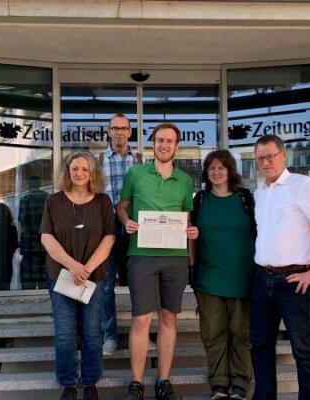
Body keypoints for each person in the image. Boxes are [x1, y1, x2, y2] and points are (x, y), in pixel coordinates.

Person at [250, 135, 310, 400]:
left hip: (294, 280)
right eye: (260, 158)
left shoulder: (304, 185)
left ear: (283, 156)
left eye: (270, 156)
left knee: (302, 348)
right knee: (260, 346)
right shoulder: (261, 193)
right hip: (262, 278)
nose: (265, 162)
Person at [116, 123, 199, 400]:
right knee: (140, 319)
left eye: (170, 141)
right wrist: (126, 222)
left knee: (168, 317)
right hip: (141, 255)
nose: (164, 145)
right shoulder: (136, 173)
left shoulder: (186, 181)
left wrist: (191, 237)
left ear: (177, 146)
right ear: (153, 143)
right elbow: (122, 206)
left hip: (175, 258)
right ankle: (137, 383)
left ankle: (163, 381)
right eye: (160, 140)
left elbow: (187, 219)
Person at [40, 151, 116, 400]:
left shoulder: (103, 201)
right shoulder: (54, 201)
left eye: (85, 169)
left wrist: (88, 268)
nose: (80, 173)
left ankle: (91, 382)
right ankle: (69, 383)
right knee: (64, 331)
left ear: (92, 172)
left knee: (93, 331)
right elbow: (47, 238)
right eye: (75, 168)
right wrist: (73, 266)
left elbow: (109, 237)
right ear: (67, 171)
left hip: (94, 276)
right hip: (61, 276)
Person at [190, 150, 255, 400]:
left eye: (221, 167)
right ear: (206, 172)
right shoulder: (200, 200)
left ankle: (240, 384)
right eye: (211, 167)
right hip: (209, 278)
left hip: (243, 277)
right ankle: (218, 384)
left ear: (231, 171)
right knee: (213, 333)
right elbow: (192, 236)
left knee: (242, 333)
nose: (216, 172)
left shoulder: (246, 199)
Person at [98, 113, 145, 356]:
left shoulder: (140, 160)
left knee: (141, 282)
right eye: (114, 128)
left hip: (134, 228)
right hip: (106, 229)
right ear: (108, 132)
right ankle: (110, 335)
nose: (119, 132)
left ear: (129, 132)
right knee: (105, 287)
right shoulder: (96, 161)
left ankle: (143, 333)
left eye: (123, 128)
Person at [18, 175, 49, 289]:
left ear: (29, 185)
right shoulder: (48, 198)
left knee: (28, 277)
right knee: (44, 275)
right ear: (40, 184)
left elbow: (23, 222)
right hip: (46, 243)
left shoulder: (25, 199)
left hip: (29, 244)